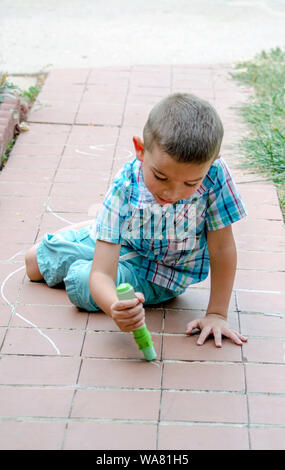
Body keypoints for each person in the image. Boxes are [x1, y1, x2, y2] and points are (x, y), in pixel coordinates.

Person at [25, 93, 248, 348]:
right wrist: (113, 306)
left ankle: (103, 231)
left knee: (82, 283)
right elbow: (103, 273)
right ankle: (102, 229)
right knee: (33, 263)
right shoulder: (126, 184)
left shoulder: (216, 176)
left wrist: (217, 314)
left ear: (213, 163)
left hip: (161, 273)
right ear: (140, 150)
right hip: (129, 242)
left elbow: (222, 247)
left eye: (190, 183)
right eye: (161, 177)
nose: (171, 193)